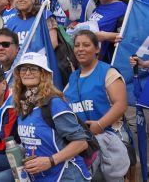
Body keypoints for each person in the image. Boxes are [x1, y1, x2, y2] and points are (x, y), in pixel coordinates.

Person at [13, 52, 91, 181]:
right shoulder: (23, 105)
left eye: (33, 69)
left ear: (43, 74)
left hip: (66, 175)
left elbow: (81, 143)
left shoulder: (54, 103)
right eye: (23, 69)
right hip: (40, 176)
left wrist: (50, 161)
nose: (27, 73)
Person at [64, 29, 128, 181]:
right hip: (83, 142)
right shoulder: (73, 77)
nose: (80, 49)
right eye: (77, 45)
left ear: (97, 49)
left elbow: (120, 104)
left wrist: (99, 125)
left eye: (86, 45)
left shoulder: (108, 72)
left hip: (108, 139)